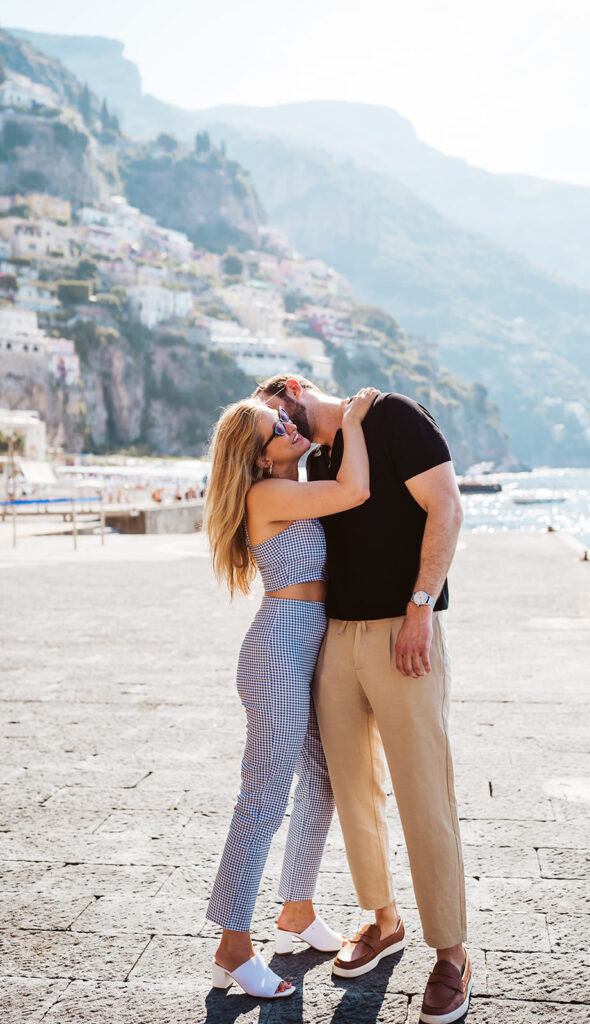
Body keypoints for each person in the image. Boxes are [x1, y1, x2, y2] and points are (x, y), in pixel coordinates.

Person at [254, 375, 471, 1023]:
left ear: (293, 388)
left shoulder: (396, 415)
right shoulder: (319, 459)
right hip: (335, 642)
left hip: (405, 631)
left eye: (276, 415)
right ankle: (383, 919)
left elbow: (447, 507)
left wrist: (420, 607)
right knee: (351, 791)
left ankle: (453, 955)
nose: (279, 432)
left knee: (422, 792)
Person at [203, 387, 378, 1000]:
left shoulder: (292, 481)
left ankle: (296, 909)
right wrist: (354, 420)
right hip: (279, 648)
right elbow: (354, 491)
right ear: (258, 458)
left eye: (282, 413)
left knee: (324, 779)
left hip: (305, 645)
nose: (287, 421)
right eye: (274, 424)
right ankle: (232, 944)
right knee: (263, 798)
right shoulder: (267, 493)